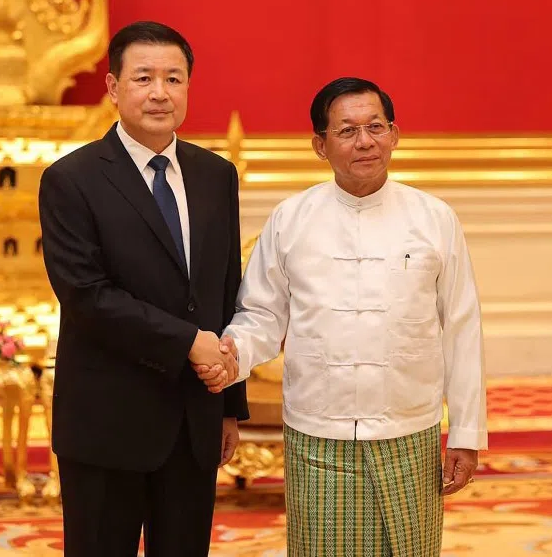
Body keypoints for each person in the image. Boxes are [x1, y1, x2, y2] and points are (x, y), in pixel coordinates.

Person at [198, 77, 487, 556]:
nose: (365, 141)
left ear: (394, 134)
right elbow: (261, 317)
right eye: (348, 130)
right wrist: (230, 357)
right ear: (320, 144)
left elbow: (462, 328)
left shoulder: (435, 218)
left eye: (376, 126)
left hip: (408, 429)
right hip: (319, 432)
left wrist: (467, 432)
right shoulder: (291, 219)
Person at [38, 20, 248, 557]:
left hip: (192, 419)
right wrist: (186, 342)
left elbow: (226, 291)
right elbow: (87, 296)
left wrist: (228, 405)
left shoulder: (215, 175)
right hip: (108, 421)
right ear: (113, 88)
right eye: (144, 78)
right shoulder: (71, 179)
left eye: (174, 79)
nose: (160, 92)